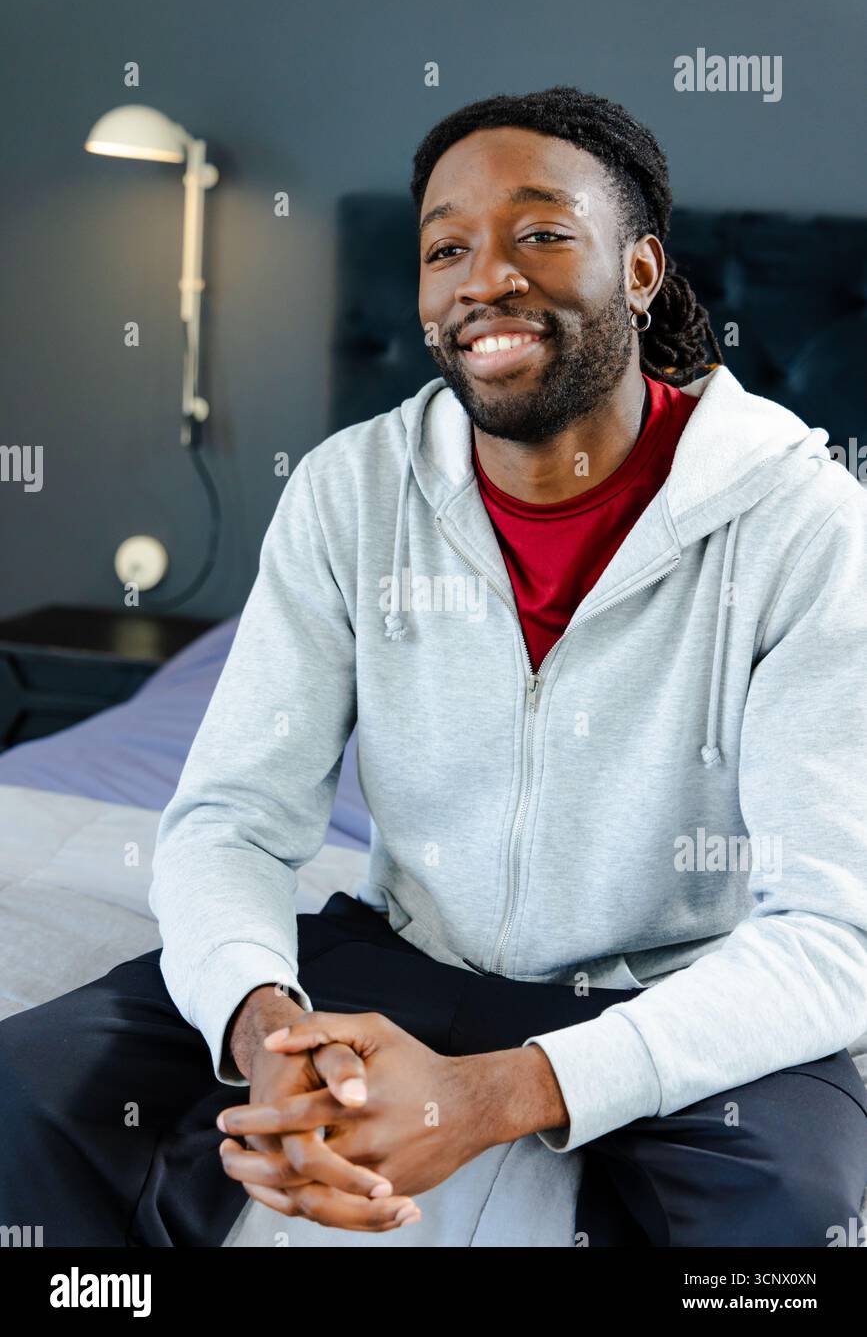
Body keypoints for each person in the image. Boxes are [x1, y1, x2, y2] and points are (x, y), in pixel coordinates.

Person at [2, 86, 867, 1248]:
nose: (485, 278)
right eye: (445, 247)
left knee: (795, 1217)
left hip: (674, 987)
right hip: (406, 950)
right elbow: (230, 820)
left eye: (542, 233)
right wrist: (266, 1030)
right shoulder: (349, 495)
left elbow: (835, 928)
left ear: (644, 270)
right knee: (31, 1089)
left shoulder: (805, 525)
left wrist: (501, 1093)